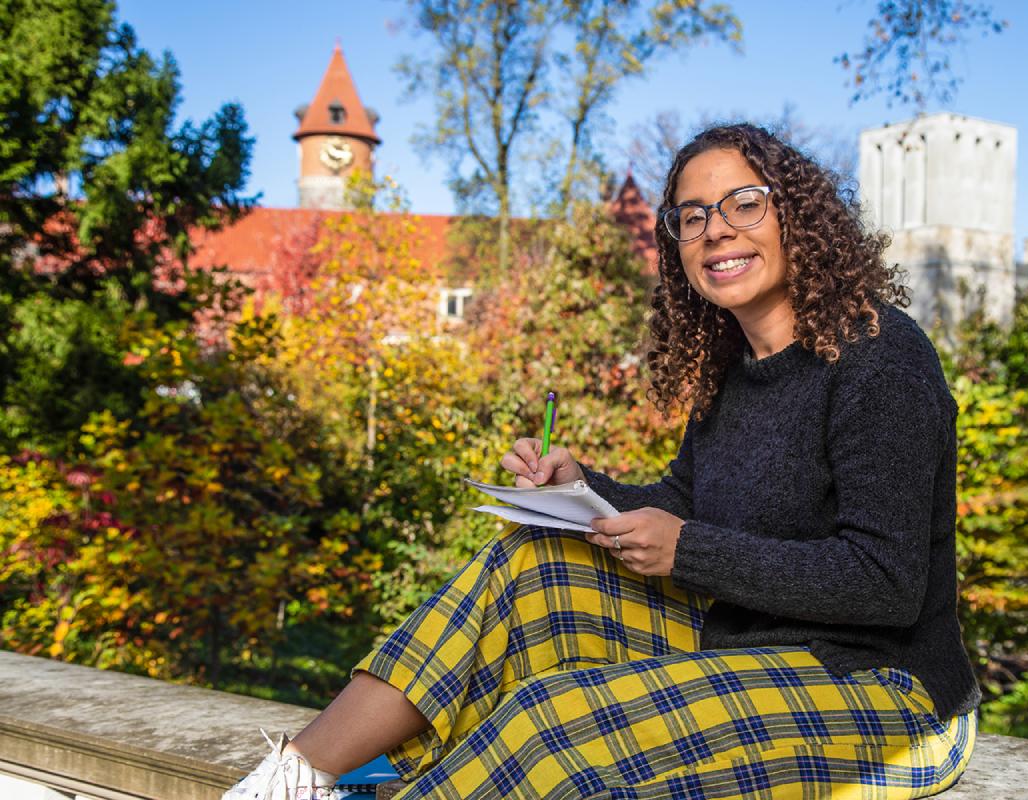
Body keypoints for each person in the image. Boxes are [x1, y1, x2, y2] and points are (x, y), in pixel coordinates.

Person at [223, 122, 981, 800]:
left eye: (744, 204)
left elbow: (886, 584)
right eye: (693, 216)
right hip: (751, 637)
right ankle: (288, 785)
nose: (717, 231)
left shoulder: (879, 358)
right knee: (531, 563)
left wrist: (688, 550)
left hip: (886, 690)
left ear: (798, 217)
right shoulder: (734, 369)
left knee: (551, 722)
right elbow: (684, 500)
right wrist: (583, 487)